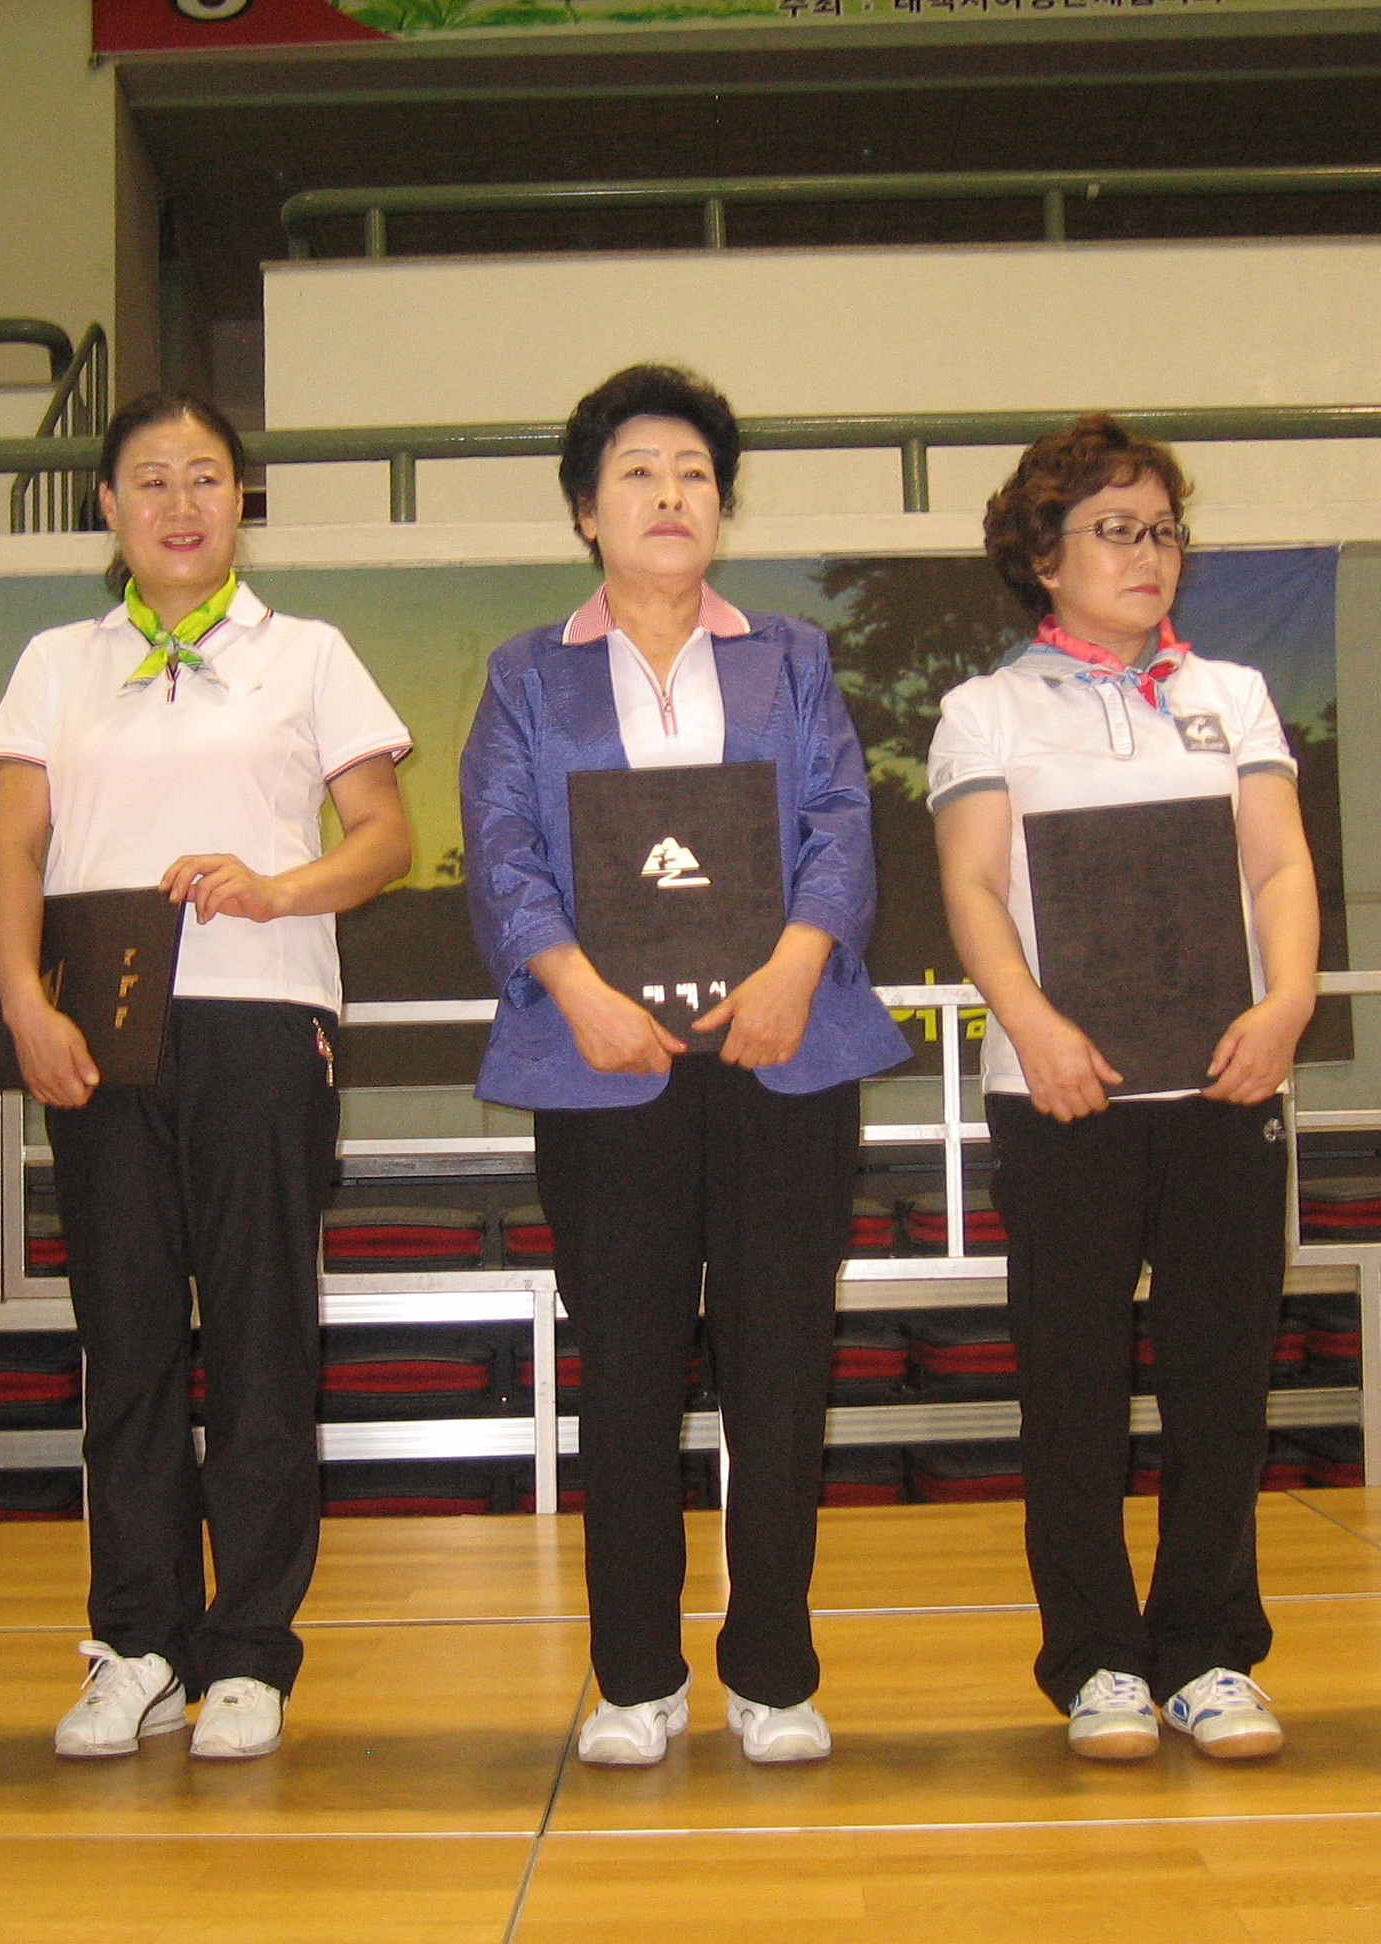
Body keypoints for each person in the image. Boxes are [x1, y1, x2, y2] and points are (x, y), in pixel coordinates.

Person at [460, 364, 906, 1768]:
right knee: (629, 1373)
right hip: (606, 1063)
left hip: (782, 1054)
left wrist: (792, 969)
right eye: (639, 473)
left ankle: (773, 1673)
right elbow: (501, 848)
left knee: (781, 1369)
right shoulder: (527, 674)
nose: (671, 494)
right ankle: (635, 1678)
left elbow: (841, 821)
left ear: (723, 506)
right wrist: (578, 992)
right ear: (585, 512)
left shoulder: (791, 657)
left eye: (696, 473)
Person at [0, 390, 411, 1762]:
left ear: (241, 501)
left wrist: (278, 886)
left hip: (262, 1020)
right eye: (151, 480)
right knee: (127, 1341)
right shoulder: (57, 662)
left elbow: (385, 837)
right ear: (107, 506)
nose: (180, 504)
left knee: (262, 1336)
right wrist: (25, 1004)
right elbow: (14, 850)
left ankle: (249, 1652)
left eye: (207, 478)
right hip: (99, 1032)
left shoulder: (309, 653)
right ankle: (139, 1643)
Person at [928, 414, 1319, 1764]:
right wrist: (1032, 1025)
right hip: (1063, 1094)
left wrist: (1286, 1002)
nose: (1149, 554)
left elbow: (1279, 865)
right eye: (1115, 529)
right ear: (1044, 556)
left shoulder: (1235, 695)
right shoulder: (986, 711)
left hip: (1224, 1084)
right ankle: (1095, 1657)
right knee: (1073, 1383)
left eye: (1164, 530)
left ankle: (1209, 1651)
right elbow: (974, 884)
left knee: (1222, 1381)